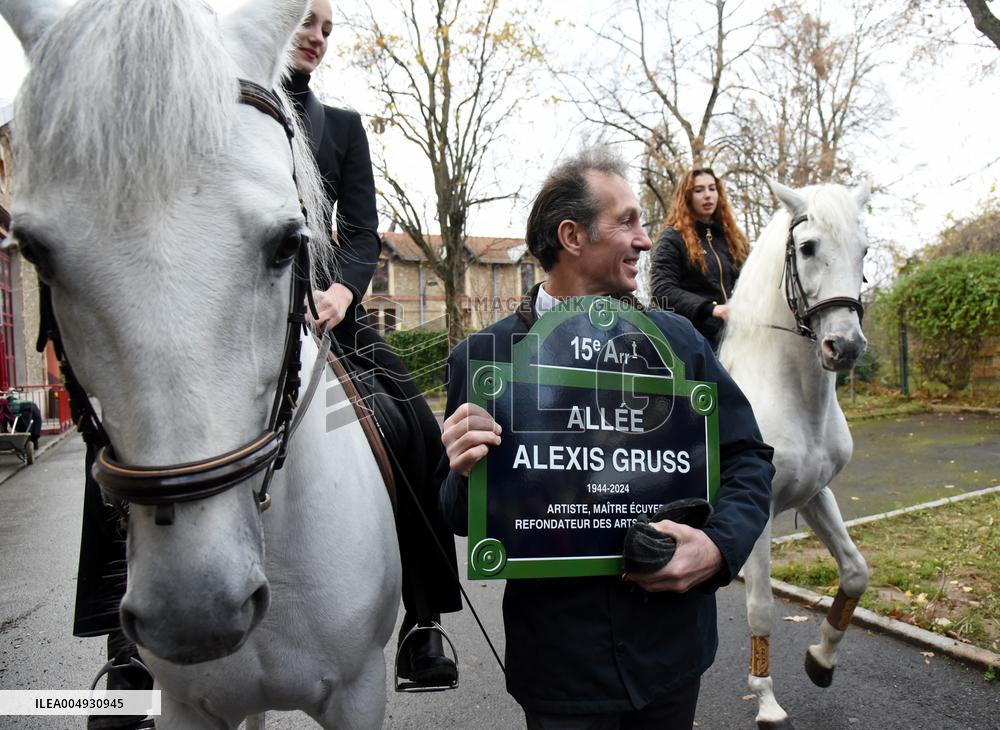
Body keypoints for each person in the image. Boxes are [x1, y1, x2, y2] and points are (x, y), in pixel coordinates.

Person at [436, 148, 773, 728]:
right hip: (561, 674)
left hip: (671, 658)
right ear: (572, 235)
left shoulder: (678, 342)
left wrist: (717, 546)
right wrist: (462, 470)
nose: (646, 240)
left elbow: (749, 457)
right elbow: (461, 516)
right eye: (628, 221)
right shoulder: (484, 358)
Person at [283, 0, 461, 687]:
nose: (318, 37)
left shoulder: (344, 129)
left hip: (331, 307)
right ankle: (122, 649)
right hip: (241, 299)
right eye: (306, 20)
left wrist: (342, 292)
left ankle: (424, 621)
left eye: (327, 28)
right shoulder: (224, 106)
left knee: (415, 423)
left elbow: (361, 231)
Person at [651, 168, 750, 350]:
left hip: (731, 335)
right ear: (687, 196)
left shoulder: (731, 238)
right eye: (699, 190)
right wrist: (711, 309)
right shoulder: (672, 238)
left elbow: (751, 279)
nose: (707, 195)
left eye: (712, 189)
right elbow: (662, 289)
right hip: (690, 337)